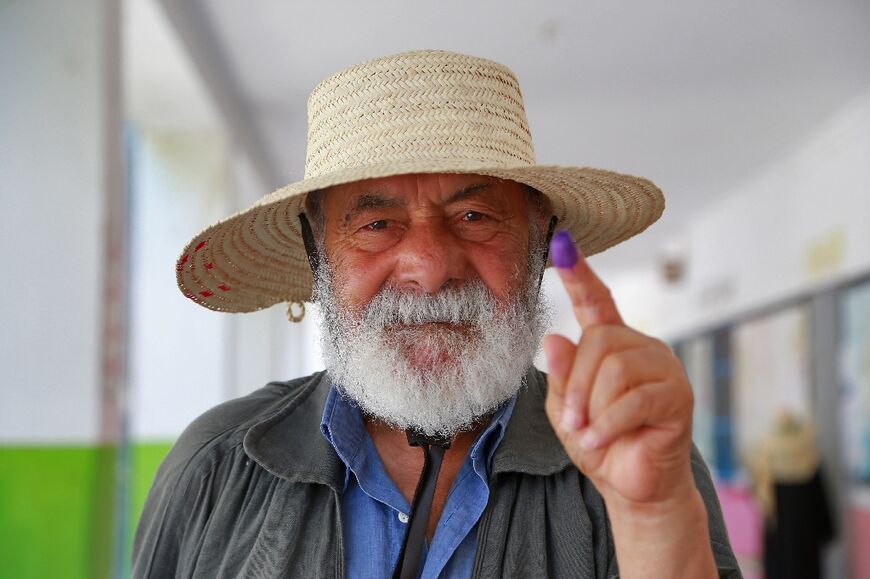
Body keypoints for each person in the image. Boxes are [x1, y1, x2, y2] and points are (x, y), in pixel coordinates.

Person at [133, 50, 741, 578]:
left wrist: (654, 516)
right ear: (318, 253)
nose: (429, 267)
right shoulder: (215, 466)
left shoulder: (631, 456)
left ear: (539, 243)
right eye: (376, 225)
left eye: (475, 217)